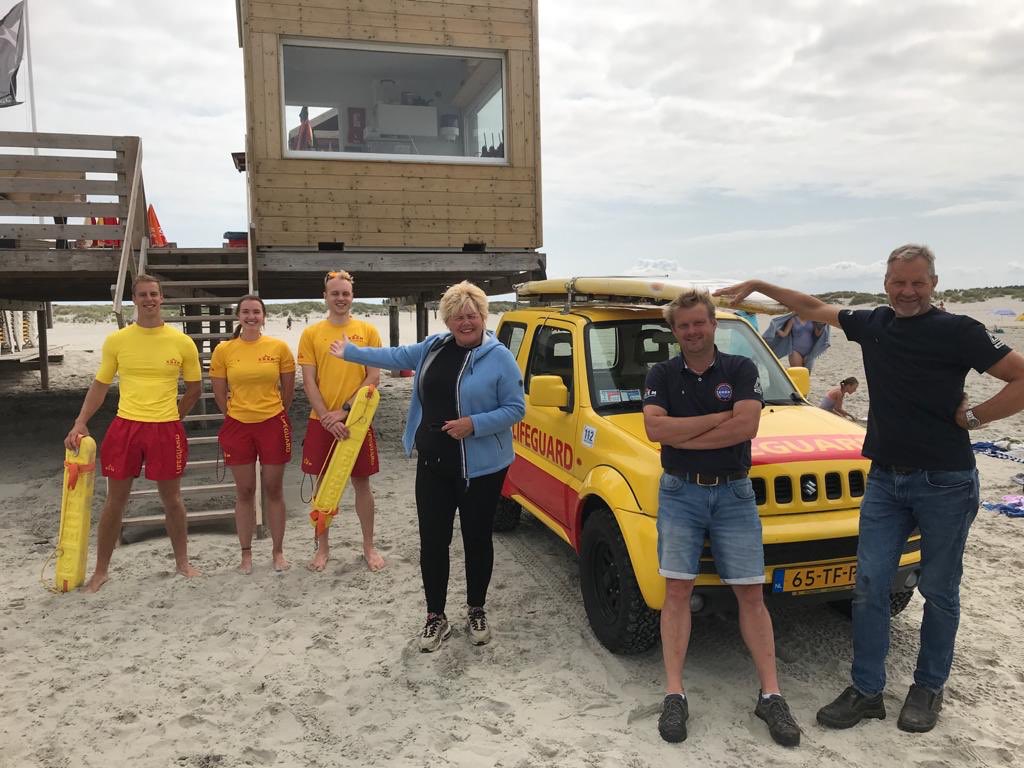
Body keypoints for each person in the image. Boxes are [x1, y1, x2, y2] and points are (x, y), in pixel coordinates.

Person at [715, 244, 1024, 734]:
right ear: (886, 283)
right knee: (868, 586)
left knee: (939, 590)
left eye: (918, 282)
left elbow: (1020, 375)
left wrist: (975, 417)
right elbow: (813, 308)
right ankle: (866, 690)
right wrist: (758, 285)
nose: (907, 292)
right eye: (899, 283)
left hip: (945, 480)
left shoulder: (960, 331)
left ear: (934, 283)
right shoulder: (874, 324)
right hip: (883, 479)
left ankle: (928, 687)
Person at [642, 288, 801, 747]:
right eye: (683, 326)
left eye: (699, 323)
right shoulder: (662, 373)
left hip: (734, 493)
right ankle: (675, 692)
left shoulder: (741, 367)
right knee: (677, 590)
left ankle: (771, 694)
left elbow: (746, 426)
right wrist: (718, 419)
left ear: (713, 324)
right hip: (680, 493)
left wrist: (683, 432)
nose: (692, 331)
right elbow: (655, 429)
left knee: (751, 593)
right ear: (674, 332)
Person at [329, 281, 525, 652]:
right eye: (456, 316)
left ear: (483, 317)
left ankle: (476, 609)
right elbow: (396, 356)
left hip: (481, 469)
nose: (464, 323)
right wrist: (351, 353)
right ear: (447, 319)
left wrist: (474, 424)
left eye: (471, 316)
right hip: (433, 462)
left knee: (476, 540)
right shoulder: (434, 347)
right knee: (433, 542)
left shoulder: (499, 357)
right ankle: (436, 616)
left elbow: (516, 409)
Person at [63, 274, 202, 592]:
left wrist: (173, 417)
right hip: (126, 426)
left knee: (173, 499)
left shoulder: (181, 342)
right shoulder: (118, 340)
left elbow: (195, 388)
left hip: (165, 429)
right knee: (115, 501)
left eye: (154, 294)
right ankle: (101, 570)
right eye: (143, 295)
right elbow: (100, 386)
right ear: (134, 299)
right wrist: (81, 421)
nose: (149, 299)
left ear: (162, 298)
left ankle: (182, 562)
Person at [298, 270, 385, 572]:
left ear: (352, 296)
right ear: (325, 296)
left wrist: (346, 411)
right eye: (335, 293)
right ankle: (322, 549)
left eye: (345, 293)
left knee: (362, 484)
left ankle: (369, 547)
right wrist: (326, 417)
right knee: (324, 485)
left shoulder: (367, 331)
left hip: (357, 420)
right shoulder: (312, 334)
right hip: (321, 421)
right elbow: (308, 381)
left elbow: (373, 376)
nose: (340, 298)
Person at [210, 295, 296, 574]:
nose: (251, 317)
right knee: (245, 491)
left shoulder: (278, 347)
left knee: (273, 489)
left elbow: (288, 391)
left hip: (272, 422)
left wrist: (272, 412)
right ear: (238, 316)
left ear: (263, 316)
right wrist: (236, 414)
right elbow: (219, 392)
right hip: (238, 425)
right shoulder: (224, 350)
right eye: (245, 312)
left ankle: (278, 551)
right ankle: (245, 554)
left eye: (256, 312)